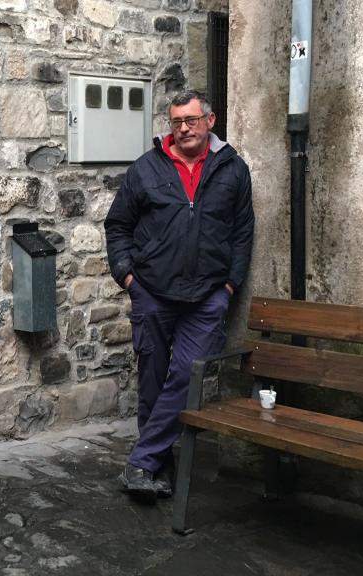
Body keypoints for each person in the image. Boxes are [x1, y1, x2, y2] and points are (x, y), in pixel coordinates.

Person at [104, 90, 255, 499]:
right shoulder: (146, 169)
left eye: (191, 120)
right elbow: (117, 225)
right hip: (153, 292)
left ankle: (141, 461)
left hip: (207, 296)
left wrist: (229, 285)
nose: (184, 128)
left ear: (210, 120)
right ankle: (159, 465)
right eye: (176, 122)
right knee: (152, 379)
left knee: (188, 377)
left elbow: (243, 232)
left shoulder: (233, 170)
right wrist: (128, 278)